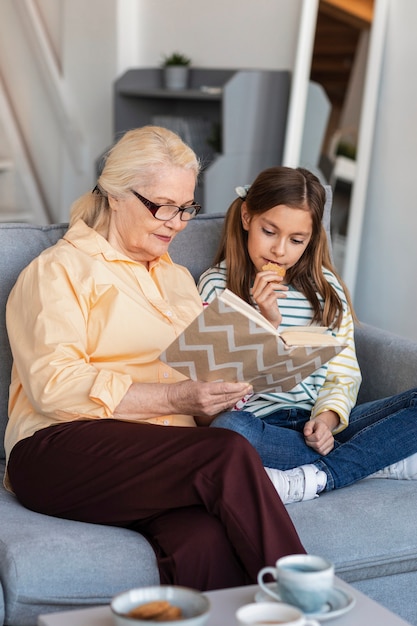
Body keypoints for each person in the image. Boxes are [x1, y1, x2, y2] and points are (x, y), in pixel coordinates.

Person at [4, 127, 305, 591]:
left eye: (186, 208)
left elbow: (195, 387)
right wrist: (179, 396)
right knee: (227, 455)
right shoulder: (57, 271)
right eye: (163, 205)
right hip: (55, 451)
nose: (177, 222)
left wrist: (227, 388)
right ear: (115, 193)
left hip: (160, 460)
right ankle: (311, 601)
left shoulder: (179, 281)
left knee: (203, 541)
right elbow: (54, 386)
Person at [198, 165, 417, 505]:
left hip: (318, 427)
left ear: (311, 239)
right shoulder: (216, 286)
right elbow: (213, 392)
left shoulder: (326, 289)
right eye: (269, 231)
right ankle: (372, 460)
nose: (279, 250)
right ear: (246, 217)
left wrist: (326, 420)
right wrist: (265, 323)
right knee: (229, 432)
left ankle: (322, 474)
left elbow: (343, 375)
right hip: (259, 427)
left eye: (296, 240)